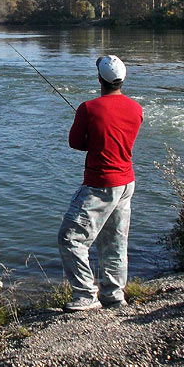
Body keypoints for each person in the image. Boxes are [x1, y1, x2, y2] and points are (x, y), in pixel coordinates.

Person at [57, 54, 143, 312]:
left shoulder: (88, 108)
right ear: (122, 80)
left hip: (100, 184)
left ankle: (85, 295)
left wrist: (90, 133)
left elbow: (75, 142)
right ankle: (114, 296)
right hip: (127, 183)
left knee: (70, 238)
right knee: (115, 243)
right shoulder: (137, 109)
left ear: (99, 79)